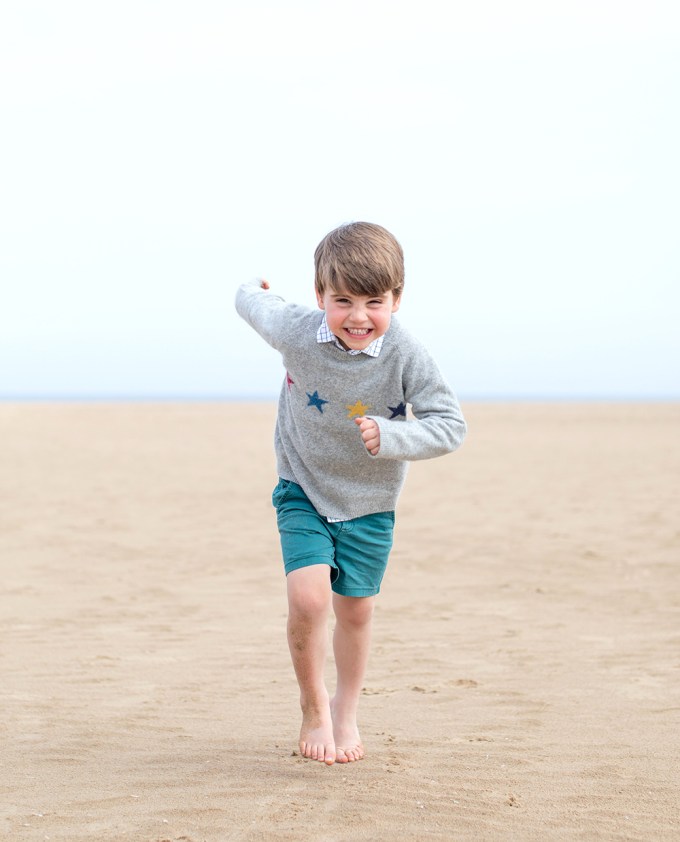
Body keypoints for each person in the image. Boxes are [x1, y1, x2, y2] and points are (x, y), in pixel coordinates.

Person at [235, 221, 466, 765]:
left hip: (370, 502)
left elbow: (450, 425)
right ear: (320, 296)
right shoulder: (296, 329)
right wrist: (254, 286)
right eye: (342, 301)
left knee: (355, 612)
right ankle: (314, 707)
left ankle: (346, 709)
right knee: (309, 599)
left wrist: (394, 436)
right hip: (303, 487)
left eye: (373, 302)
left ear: (396, 299)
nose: (358, 317)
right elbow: (251, 303)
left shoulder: (406, 353)